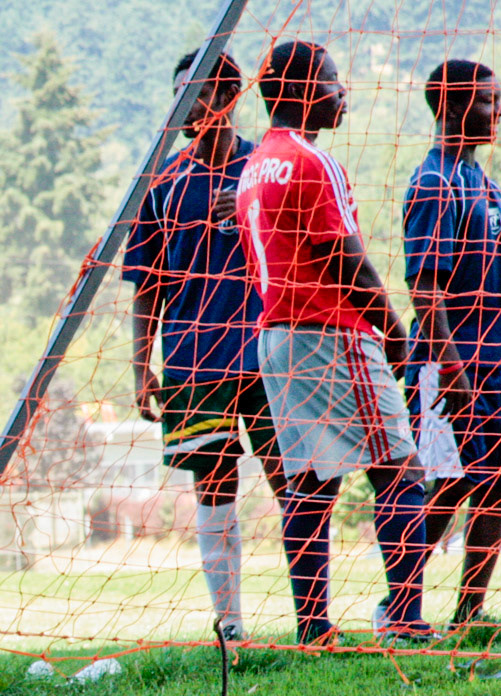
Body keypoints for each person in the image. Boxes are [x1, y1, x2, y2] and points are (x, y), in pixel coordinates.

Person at [235, 42, 431, 645]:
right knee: (401, 470)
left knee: (310, 486)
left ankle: (314, 630)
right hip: (329, 332)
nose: (342, 91)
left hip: (276, 339)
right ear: (298, 91)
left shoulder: (254, 166)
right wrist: (397, 338)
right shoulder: (311, 163)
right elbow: (347, 262)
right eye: (332, 80)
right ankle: (405, 619)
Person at [125, 50, 287, 641]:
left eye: (192, 93)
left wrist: (249, 213)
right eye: (176, 94)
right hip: (195, 362)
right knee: (213, 487)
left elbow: (306, 254)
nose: (182, 107)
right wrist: (139, 366)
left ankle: (312, 621)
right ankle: (232, 624)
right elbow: (146, 282)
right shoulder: (163, 182)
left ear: (228, 96)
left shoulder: (265, 169)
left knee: (290, 480)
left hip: (269, 353)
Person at [403, 60, 501, 628]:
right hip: (455, 366)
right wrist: (452, 372)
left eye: (499, 99)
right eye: (487, 100)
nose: (498, 110)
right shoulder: (434, 182)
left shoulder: (485, 183)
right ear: (453, 107)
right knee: (447, 487)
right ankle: (399, 607)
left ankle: (469, 613)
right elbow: (425, 288)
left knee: (498, 485)